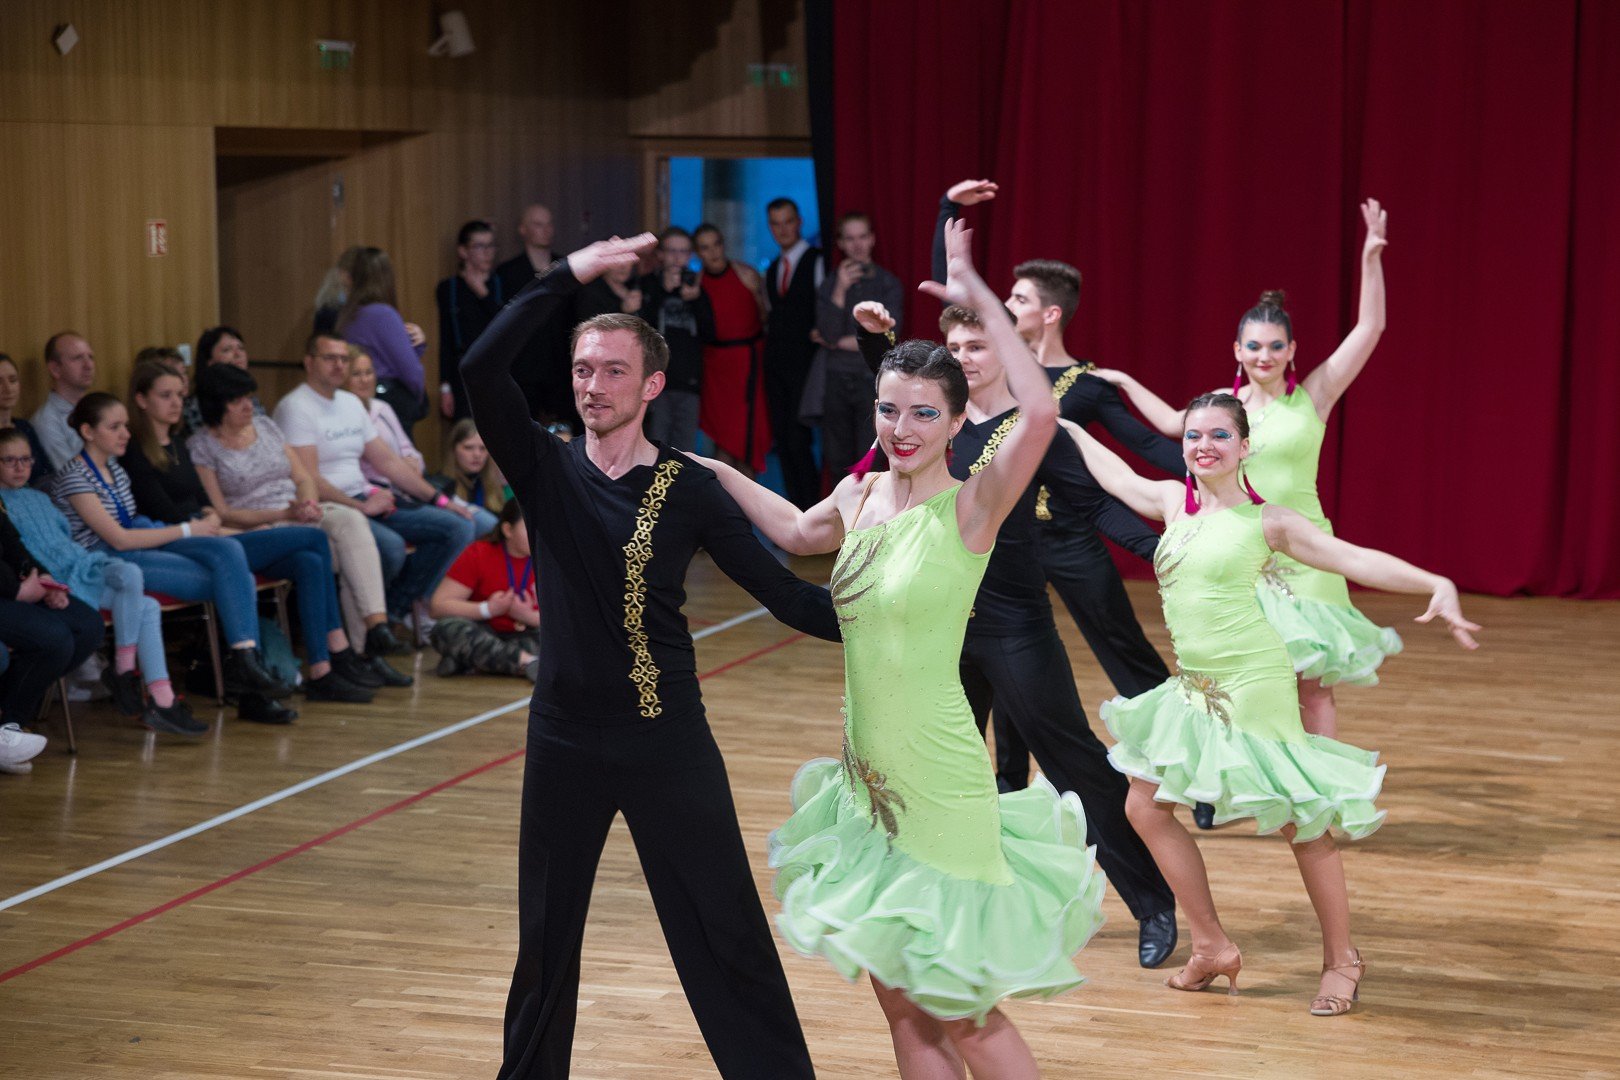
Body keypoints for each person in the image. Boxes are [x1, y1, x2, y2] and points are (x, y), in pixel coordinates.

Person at [694, 219, 1105, 1078]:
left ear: (957, 422)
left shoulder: (973, 506)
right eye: (889, 409)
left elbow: (1039, 412)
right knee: (900, 999)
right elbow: (796, 530)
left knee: (963, 1007)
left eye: (924, 413)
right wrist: (709, 469)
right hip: (866, 779)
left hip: (938, 777)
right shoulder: (861, 494)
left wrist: (976, 291)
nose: (903, 427)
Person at [461, 233, 842, 1080]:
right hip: (562, 741)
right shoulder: (544, 467)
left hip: (666, 740)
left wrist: (901, 622)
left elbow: (785, 595)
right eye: (582, 370)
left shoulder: (691, 487)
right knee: (545, 941)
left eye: (613, 371)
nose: (593, 385)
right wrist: (569, 274)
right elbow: (481, 368)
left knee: (726, 929)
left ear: (652, 386)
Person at [1063, 391, 1479, 1016]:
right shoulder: (1173, 502)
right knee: (1144, 806)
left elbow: (1352, 558)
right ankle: (1211, 945)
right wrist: (1060, 423)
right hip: (1195, 684)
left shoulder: (1268, 521)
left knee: (1300, 819)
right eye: (1193, 435)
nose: (1204, 446)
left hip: (1253, 682)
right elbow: (1116, 476)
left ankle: (1343, 959)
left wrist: (1434, 582)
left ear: (1244, 447)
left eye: (1219, 436)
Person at [850, 296, 1180, 969]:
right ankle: (934, 906)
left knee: (1076, 764)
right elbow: (894, 404)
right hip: (940, 634)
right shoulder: (932, 427)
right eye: (954, 349)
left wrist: (1159, 552)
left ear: (1006, 351)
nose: (964, 359)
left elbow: (1091, 506)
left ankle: (1154, 903)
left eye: (977, 346)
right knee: (935, 768)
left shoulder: (1030, 434)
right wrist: (872, 342)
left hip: (1012, 627)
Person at [1092, 200, 1396, 740]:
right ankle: (1248, 767)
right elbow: (1171, 422)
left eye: (1276, 346)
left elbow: (1370, 327)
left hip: (1304, 552)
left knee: (1312, 682)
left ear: (1291, 350)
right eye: (1254, 346)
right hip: (1241, 551)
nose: (1264, 356)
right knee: (1253, 676)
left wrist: (1371, 257)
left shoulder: (1314, 395)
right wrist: (1124, 382)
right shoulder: (1223, 409)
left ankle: (1315, 778)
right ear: (1237, 349)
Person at [119, 362, 384, 702]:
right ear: (142, 400)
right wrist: (213, 524)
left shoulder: (178, 445)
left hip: (212, 532)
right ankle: (338, 651)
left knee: (308, 561)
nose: (175, 403)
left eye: (179, 396)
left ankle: (322, 670)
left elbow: (204, 503)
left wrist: (211, 520)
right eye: (165, 396)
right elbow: (164, 511)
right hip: (186, 540)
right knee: (315, 538)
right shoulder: (141, 452)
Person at [51, 391, 298, 707]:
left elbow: (133, 523)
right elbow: (118, 538)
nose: (125, 434)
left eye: (125, 426)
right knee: (238, 582)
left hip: (133, 549)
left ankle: (244, 663)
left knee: (236, 569)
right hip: (104, 562)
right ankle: (244, 668)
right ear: (88, 431)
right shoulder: (75, 477)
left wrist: (185, 532)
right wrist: (186, 531)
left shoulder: (115, 470)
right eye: (114, 427)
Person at [189, 363, 410, 681]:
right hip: (261, 524)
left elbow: (303, 477)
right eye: (237, 401)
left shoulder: (266, 426)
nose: (248, 406)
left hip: (298, 511)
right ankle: (354, 653)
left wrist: (307, 503)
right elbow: (222, 512)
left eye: (249, 397)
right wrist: (284, 515)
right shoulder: (202, 446)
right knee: (329, 555)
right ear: (216, 405)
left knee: (350, 521)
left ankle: (373, 631)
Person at [273, 332, 477, 640]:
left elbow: (389, 462)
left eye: (344, 359)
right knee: (391, 548)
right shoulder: (296, 407)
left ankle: (390, 618)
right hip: (331, 507)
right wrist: (361, 506)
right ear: (309, 362)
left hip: (366, 498)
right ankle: (370, 633)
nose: (339, 365)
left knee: (458, 527)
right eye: (330, 358)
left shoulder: (350, 403)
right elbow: (310, 479)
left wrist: (441, 500)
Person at [0, 427, 200, 734]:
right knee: (135, 594)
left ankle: (158, 695)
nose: (20, 467)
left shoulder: (39, 498)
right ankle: (128, 677)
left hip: (68, 568)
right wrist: (45, 580)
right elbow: (21, 552)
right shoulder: (5, 503)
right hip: (56, 579)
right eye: (9, 460)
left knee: (145, 603)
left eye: (26, 459)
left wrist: (57, 571)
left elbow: (57, 541)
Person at [0, 484, 110, 748]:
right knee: (54, 638)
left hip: (13, 586)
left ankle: (11, 714)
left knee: (87, 626)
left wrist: (42, 576)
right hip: (7, 591)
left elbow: (12, 543)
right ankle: (11, 721)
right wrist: (17, 591)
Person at [808, 211, 904, 480]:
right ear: (840, 243)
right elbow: (828, 332)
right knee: (836, 458)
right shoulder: (831, 282)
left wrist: (834, 341)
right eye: (850, 239)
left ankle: (868, 507)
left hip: (871, 379)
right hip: (835, 379)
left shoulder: (888, 283)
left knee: (870, 458)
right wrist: (840, 288)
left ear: (872, 239)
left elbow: (887, 337)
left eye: (862, 237)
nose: (857, 244)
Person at [428, 499, 537, 679]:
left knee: (566, 639)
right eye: (530, 528)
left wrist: (528, 617)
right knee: (446, 629)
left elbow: (569, 617)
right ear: (508, 530)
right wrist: (488, 609)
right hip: (484, 631)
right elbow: (437, 607)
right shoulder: (479, 553)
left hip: (527, 635)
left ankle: (474, 661)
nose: (538, 535)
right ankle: (527, 662)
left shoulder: (552, 559)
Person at [763, 197, 825, 508]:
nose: (783, 229)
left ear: (799, 222)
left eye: (788, 221)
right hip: (776, 365)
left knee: (799, 440)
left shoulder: (818, 261)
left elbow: (826, 308)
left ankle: (811, 509)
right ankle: (795, 511)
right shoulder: (773, 268)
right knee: (784, 441)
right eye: (776, 223)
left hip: (807, 364)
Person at [694, 223, 770, 473]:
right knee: (723, 436)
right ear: (698, 253)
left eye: (716, 244)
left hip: (748, 363)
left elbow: (765, 317)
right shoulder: (696, 284)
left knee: (748, 438)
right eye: (705, 247)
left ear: (723, 245)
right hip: (715, 367)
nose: (713, 252)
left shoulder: (746, 275)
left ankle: (747, 495)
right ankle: (723, 496)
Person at [335, 247, 429, 433]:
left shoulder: (349, 313)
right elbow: (410, 369)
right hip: (387, 399)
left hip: (361, 397)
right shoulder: (382, 314)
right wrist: (418, 398)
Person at [637, 227, 713, 452]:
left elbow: (711, 333)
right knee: (654, 447)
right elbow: (640, 330)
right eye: (672, 251)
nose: (677, 257)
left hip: (689, 382)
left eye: (683, 251)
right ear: (661, 254)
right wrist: (662, 292)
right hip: (655, 380)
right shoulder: (648, 284)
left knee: (684, 453)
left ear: (690, 255)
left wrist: (696, 301)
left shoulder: (697, 287)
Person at [496, 203, 572, 425]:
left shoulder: (566, 268)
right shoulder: (507, 273)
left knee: (564, 427)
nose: (546, 230)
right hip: (523, 365)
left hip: (560, 364)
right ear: (523, 230)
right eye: (538, 224)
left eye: (549, 224)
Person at [436, 219, 506, 421]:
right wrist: (445, 386)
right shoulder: (449, 288)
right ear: (463, 251)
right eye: (480, 246)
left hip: (497, 371)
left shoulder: (502, 283)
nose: (487, 252)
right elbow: (446, 339)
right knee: (467, 429)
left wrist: (483, 293)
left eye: (491, 245)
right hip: (463, 374)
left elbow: (508, 326)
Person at [345, 346, 429, 493]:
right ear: (343, 380)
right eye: (356, 374)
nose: (364, 380)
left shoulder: (382, 408)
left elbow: (406, 447)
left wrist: (413, 463)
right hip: (372, 493)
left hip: (406, 486)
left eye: (369, 372)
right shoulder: (343, 416)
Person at [178, 325, 267, 436]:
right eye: (227, 350)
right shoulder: (196, 406)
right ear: (209, 361)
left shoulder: (252, 400)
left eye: (241, 348)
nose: (238, 354)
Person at [31, 331, 98, 472]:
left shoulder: (100, 410)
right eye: (77, 358)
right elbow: (71, 474)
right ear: (55, 369)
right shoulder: (46, 420)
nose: (89, 365)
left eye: (91, 357)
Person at [430, 419, 504, 536]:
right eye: (468, 447)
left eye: (483, 448)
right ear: (453, 449)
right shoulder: (440, 486)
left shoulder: (492, 485)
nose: (477, 454)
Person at [0, 354, 50, 486]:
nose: (8, 388)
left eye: (13, 380)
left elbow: (46, 472)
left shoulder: (24, 427)